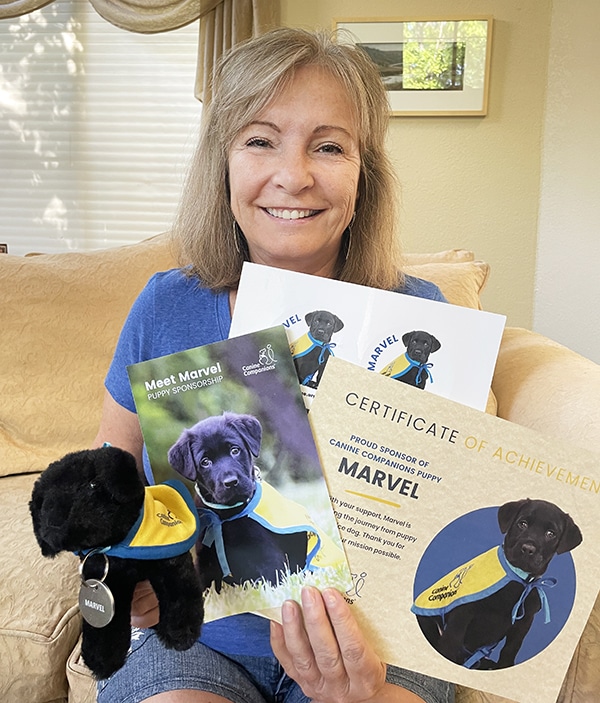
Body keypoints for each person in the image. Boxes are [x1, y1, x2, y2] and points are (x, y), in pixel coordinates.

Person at [94, 26, 454, 703]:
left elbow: (447, 507)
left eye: (328, 146)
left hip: (378, 645)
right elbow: (104, 481)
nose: (294, 175)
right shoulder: (165, 307)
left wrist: (368, 686)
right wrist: (119, 567)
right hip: (199, 638)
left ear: (363, 174)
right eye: (260, 140)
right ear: (222, 163)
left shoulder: (421, 322)